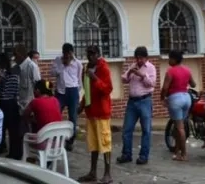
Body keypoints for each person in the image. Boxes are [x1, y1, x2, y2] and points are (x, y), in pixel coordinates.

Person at [77, 45, 113, 184]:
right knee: (93, 144)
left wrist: (95, 78)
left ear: (98, 54)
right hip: (91, 111)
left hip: (102, 112)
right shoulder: (86, 68)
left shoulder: (103, 68)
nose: (90, 56)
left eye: (92, 54)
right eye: (88, 54)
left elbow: (108, 89)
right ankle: (93, 172)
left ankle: (108, 174)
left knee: (105, 143)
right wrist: (82, 104)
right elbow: (87, 89)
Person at [118, 46, 156, 165]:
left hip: (145, 100)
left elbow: (151, 84)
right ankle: (126, 154)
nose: (139, 60)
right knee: (127, 129)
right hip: (132, 102)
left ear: (146, 58)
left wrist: (141, 75)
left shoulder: (150, 68)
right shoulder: (132, 66)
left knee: (146, 130)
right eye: (137, 58)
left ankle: (143, 156)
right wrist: (130, 71)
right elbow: (124, 80)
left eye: (141, 58)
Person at [161, 49, 196, 161]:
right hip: (186, 98)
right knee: (179, 126)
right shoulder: (187, 70)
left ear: (174, 59)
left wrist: (162, 98)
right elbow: (193, 84)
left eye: (169, 58)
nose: (168, 60)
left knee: (180, 128)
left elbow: (165, 87)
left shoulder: (170, 71)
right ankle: (176, 151)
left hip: (175, 99)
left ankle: (184, 154)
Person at [52, 42, 82, 151]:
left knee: (73, 117)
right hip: (60, 91)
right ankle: (55, 138)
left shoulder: (78, 63)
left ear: (72, 53)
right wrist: (63, 66)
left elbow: (79, 79)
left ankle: (70, 141)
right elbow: (53, 73)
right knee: (56, 114)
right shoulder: (58, 60)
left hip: (73, 91)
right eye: (65, 53)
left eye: (69, 53)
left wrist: (77, 92)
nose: (67, 56)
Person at [23, 79, 63, 152]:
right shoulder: (55, 100)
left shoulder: (35, 102)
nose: (34, 92)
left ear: (38, 90)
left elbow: (25, 114)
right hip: (59, 142)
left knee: (27, 125)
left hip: (43, 143)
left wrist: (32, 119)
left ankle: (29, 157)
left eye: (34, 90)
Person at [0, 52, 20, 157]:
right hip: (13, 103)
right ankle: (14, 152)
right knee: (13, 129)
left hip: (4, 103)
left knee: (1, 127)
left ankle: (1, 147)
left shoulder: (3, 73)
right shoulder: (15, 73)